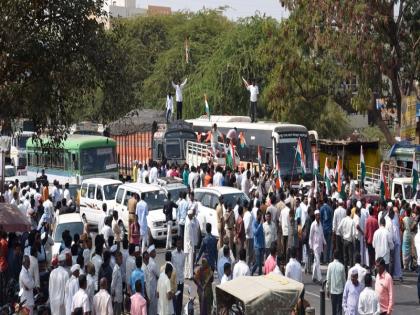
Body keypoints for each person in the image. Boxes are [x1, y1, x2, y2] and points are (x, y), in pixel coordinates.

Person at [326, 250, 346, 315]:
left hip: (333, 291)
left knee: (333, 309)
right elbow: (344, 280)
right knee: (339, 308)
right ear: (339, 257)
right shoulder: (342, 266)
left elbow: (328, 279)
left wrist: (327, 289)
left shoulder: (330, 265)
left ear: (333, 256)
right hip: (340, 291)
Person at [309, 210, 326, 283]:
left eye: (319, 215)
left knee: (316, 261)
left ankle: (313, 276)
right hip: (315, 246)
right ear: (315, 216)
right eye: (317, 215)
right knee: (318, 262)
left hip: (320, 246)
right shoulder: (313, 224)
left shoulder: (320, 224)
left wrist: (325, 242)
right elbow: (310, 236)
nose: (319, 216)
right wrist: (311, 247)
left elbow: (322, 235)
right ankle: (320, 278)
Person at [172, 237, 186, 315]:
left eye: (181, 243)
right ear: (176, 244)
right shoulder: (172, 254)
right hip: (175, 282)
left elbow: (182, 266)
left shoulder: (183, 254)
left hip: (181, 280)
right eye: (178, 243)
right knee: (175, 300)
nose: (179, 245)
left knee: (180, 300)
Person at [251, 209, 265, 276]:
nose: (261, 217)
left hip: (262, 245)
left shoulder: (262, 223)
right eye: (260, 215)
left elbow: (263, 233)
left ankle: (260, 275)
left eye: (261, 215)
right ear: (257, 215)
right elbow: (255, 233)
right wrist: (260, 225)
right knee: (257, 262)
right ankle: (251, 272)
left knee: (261, 263)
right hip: (257, 246)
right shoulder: (254, 223)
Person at [320, 199, 333, 263]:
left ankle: (322, 259)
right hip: (329, 229)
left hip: (323, 229)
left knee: (322, 244)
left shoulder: (321, 208)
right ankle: (327, 259)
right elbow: (331, 219)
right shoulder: (330, 209)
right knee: (328, 245)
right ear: (327, 201)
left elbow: (320, 219)